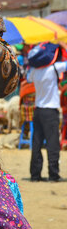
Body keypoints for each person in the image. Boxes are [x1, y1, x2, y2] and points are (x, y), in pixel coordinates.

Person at [28, 41, 67, 182]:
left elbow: (27, 77)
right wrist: (63, 46)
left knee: (37, 143)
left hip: (38, 110)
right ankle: (53, 174)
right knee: (52, 144)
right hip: (50, 111)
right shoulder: (54, 68)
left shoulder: (34, 71)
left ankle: (35, 175)